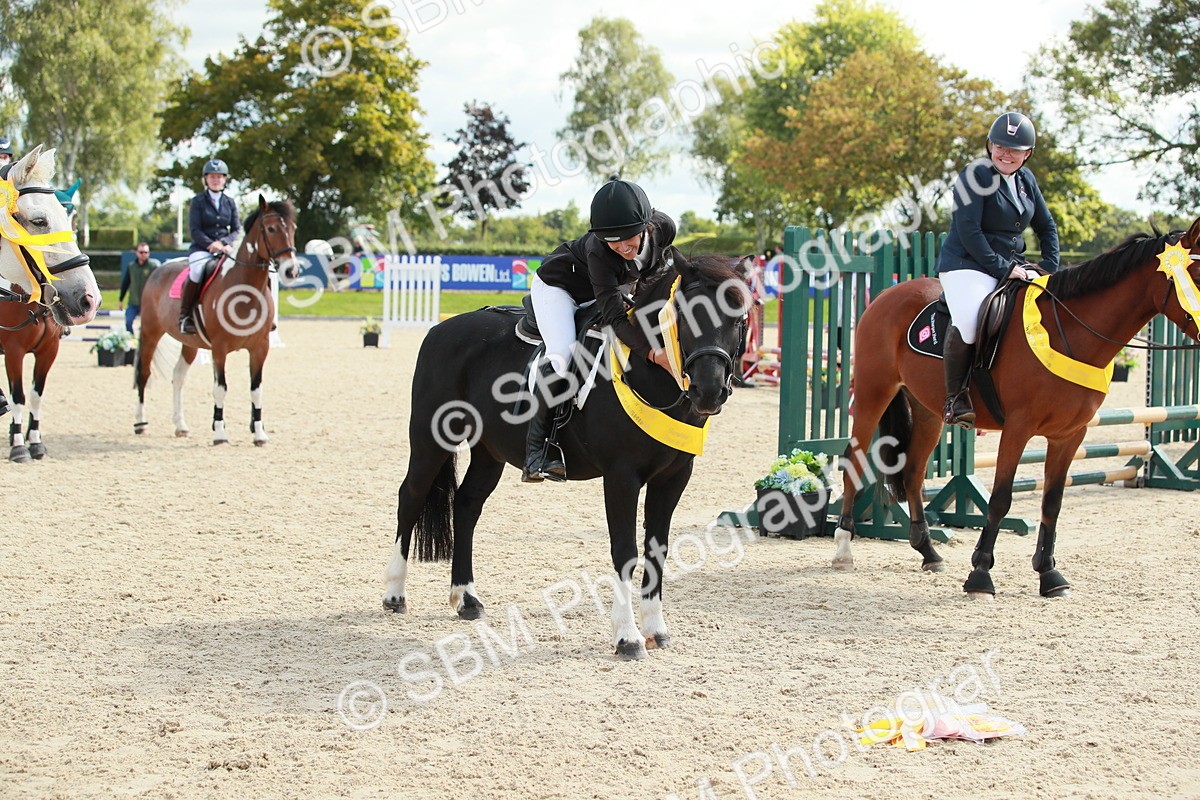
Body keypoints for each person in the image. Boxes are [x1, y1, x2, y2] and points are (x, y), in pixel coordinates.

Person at [522, 178, 677, 482]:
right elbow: (616, 318)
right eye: (613, 241)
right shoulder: (599, 252)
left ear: (647, 225)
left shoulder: (665, 228)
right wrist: (653, 354)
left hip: (609, 288)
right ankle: (536, 451)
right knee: (563, 358)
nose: (622, 246)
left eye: (629, 237)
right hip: (560, 290)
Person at [936, 111, 1059, 429]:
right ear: (990, 145)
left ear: (1027, 154)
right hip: (967, 264)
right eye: (1000, 146)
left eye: (1014, 150)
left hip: (1010, 265)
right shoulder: (975, 174)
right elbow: (969, 230)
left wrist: (1050, 267)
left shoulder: (1026, 180)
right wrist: (1004, 269)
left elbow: (1046, 226)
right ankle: (956, 398)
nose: (1006, 154)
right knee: (970, 319)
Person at [181, 158, 240, 334]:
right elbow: (194, 230)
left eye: (219, 176)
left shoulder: (230, 202)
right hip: (201, 249)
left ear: (224, 179)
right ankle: (185, 316)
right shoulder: (198, 201)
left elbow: (237, 229)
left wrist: (223, 243)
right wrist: (210, 244)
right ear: (206, 179)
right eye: (212, 176)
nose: (216, 180)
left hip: (225, 248)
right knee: (198, 271)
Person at [118, 242, 160, 333]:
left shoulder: (154, 266)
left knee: (147, 326)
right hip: (133, 302)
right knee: (128, 323)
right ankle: (131, 342)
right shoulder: (131, 266)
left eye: (146, 252)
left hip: (149, 303)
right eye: (141, 252)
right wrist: (121, 300)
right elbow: (126, 283)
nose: (144, 254)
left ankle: (144, 344)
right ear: (136, 252)